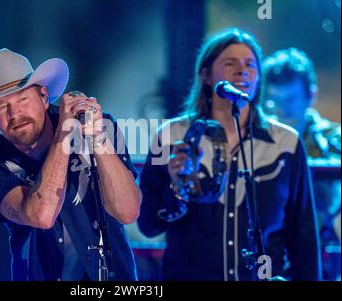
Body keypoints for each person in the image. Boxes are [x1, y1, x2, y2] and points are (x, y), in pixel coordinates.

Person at [138, 28, 321, 281]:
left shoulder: (286, 142)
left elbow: (304, 238)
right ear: (206, 75)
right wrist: (175, 187)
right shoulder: (170, 136)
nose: (242, 70)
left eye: (250, 65)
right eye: (230, 63)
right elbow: (148, 225)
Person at [0, 48, 141, 281]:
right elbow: (41, 216)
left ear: (43, 97)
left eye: (22, 99)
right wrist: (63, 136)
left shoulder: (100, 126)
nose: (15, 114)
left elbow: (128, 212)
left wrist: (97, 138)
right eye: (1, 107)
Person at [263, 48, 341, 280]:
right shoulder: (255, 142)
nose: (282, 110)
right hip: (269, 256)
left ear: (312, 95)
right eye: (273, 100)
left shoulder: (332, 141)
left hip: (324, 255)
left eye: (290, 99)